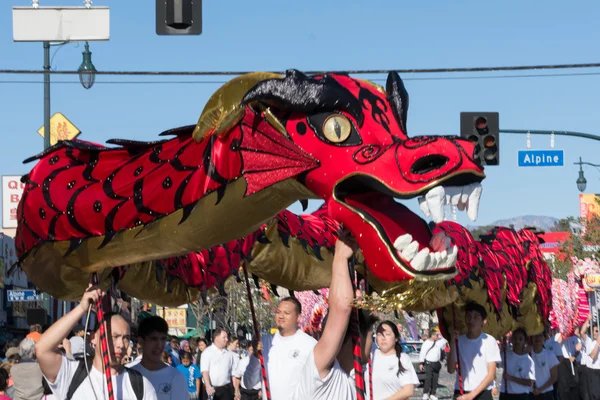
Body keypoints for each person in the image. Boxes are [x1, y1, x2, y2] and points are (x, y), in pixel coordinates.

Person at [291, 229, 378, 399]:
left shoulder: (353, 377)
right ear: (353, 338)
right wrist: (340, 257)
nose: (372, 344)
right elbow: (341, 309)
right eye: (369, 335)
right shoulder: (318, 369)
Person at [36, 285, 157, 400]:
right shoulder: (72, 374)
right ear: (94, 337)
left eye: (126, 338)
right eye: (114, 336)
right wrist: (82, 308)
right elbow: (42, 349)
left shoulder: (140, 385)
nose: (121, 344)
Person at [254, 296, 318, 400]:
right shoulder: (264, 342)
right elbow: (248, 383)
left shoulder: (310, 345)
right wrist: (254, 357)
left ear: (298, 317)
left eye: (287, 313)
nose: (281, 316)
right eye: (278, 312)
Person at [447, 302, 502, 400]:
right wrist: (452, 342)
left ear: (483, 321)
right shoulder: (459, 340)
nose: (471, 321)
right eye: (468, 316)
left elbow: (491, 375)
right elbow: (451, 369)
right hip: (461, 391)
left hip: (482, 393)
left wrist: (471, 395)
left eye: (476, 317)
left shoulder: (489, 341)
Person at [127, 316, 188, 399]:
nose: (159, 345)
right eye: (153, 339)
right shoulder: (128, 375)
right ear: (141, 341)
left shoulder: (176, 377)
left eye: (163, 339)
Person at [369, 321, 418, 400]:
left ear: (396, 338)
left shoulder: (403, 358)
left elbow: (408, 390)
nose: (383, 338)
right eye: (379, 334)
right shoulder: (371, 355)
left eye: (387, 334)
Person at [200, 328, 237, 400]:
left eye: (227, 337)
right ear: (216, 338)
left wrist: (236, 390)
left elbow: (233, 374)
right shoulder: (207, 352)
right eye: (224, 337)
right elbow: (205, 371)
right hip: (211, 390)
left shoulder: (229, 354)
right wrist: (208, 386)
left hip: (226, 390)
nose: (226, 339)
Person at [499, 328, 535, 400]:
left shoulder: (528, 360)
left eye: (520, 339)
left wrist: (511, 378)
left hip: (521, 394)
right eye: (515, 338)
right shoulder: (504, 355)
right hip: (505, 393)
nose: (517, 341)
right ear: (511, 339)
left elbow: (530, 382)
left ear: (525, 341)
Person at [419, 329, 447, 400]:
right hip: (429, 363)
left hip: (436, 363)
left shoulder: (438, 343)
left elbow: (445, 339)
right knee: (428, 379)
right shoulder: (426, 343)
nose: (438, 336)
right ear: (433, 335)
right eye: (437, 335)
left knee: (435, 380)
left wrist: (442, 332)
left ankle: (432, 394)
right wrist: (421, 363)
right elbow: (422, 353)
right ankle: (425, 394)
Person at [530, 332, 558, 400]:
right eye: (535, 336)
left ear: (544, 338)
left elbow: (554, 376)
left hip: (546, 393)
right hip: (530, 393)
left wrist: (540, 389)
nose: (537, 338)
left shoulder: (550, 355)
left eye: (540, 336)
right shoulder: (527, 354)